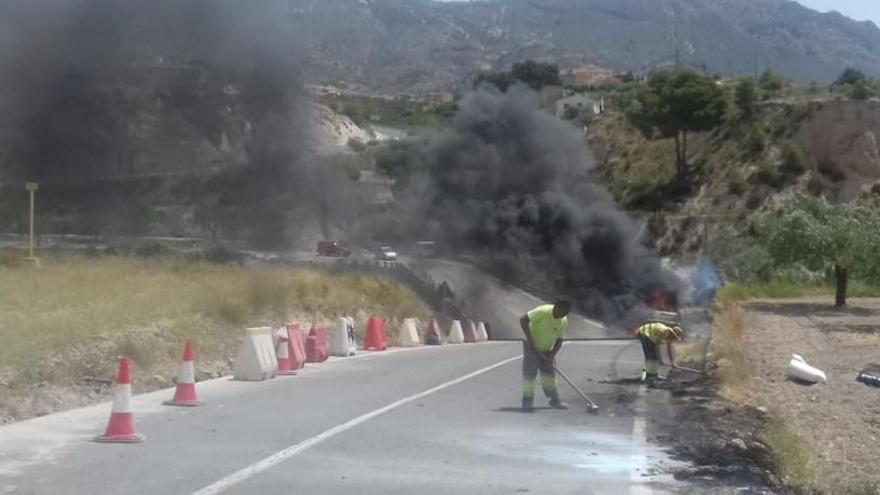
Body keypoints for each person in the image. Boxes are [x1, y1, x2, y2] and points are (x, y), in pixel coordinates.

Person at [518, 300, 571, 412]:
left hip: (547, 349)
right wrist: (530, 339)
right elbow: (523, 319)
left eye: (565, 314)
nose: (562, 316)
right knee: (530, 374)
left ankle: (554, 400)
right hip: (531, 346)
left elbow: (560, 339)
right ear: (556, 307)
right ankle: (527, 401)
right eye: (561, 312)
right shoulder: (543, 311)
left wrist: (552, 355)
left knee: (549, 375)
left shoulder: (563, 320)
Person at [637, 321, 683, 386]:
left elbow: (669, 349)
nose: (674, 339)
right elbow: (656, 347)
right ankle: (650, 377)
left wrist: (672, 363)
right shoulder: (663, 331)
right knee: (651, 356)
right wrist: (660, 360)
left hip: (650, 335)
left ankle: (653, 375)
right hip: (644, 333)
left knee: (653, 357)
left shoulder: (669, 334)